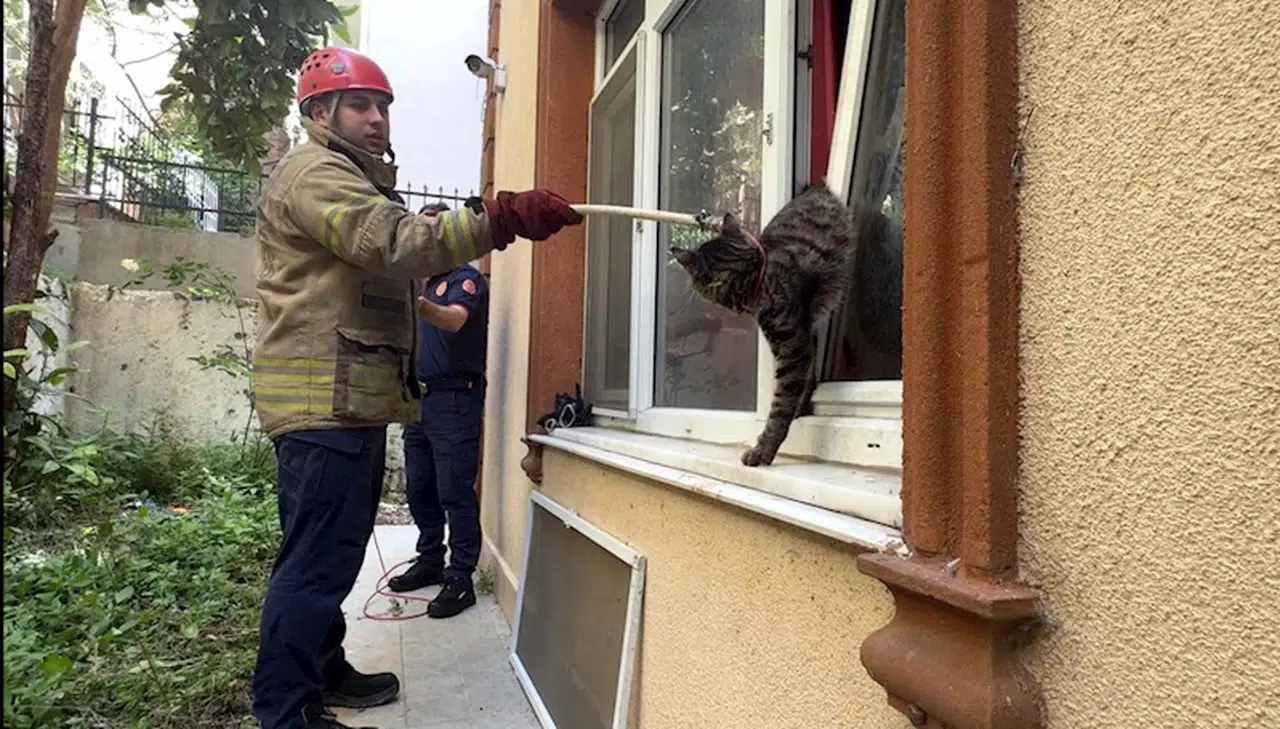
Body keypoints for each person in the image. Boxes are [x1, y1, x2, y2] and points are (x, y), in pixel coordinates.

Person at [249, 47, 582, 729]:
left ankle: (322, 668)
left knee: (330, 557)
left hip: (345, 402)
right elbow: (393, 243)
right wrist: (501, 217)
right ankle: (286, 712)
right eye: (360, 105)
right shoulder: (317, 173)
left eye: (383, 106)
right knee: (314, 564)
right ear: (318, 112)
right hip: (323, 406)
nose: (378, 119)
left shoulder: (346, 174)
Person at [385, 202, 487, 618]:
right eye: (418, 228)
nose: (423, 236)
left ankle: (460, 578)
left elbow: (454, 321)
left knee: (454, 492)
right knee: (419, 488)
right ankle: (430, 560)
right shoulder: (418, 283)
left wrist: (417, 300)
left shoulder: (465, 279)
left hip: (455, 399)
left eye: (431, 229)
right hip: (419, 401)